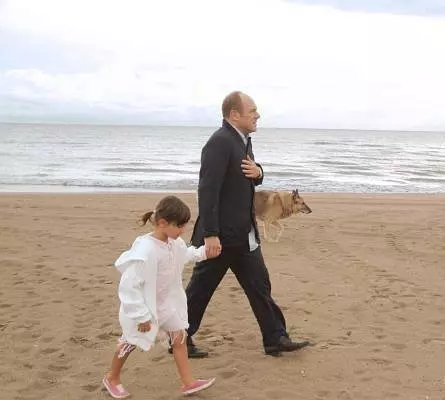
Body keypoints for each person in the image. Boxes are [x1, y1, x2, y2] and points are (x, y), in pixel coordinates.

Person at [185, 91, 311, 358]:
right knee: (199, 291)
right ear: (234, 114)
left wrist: (259, 172)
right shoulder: (219, 142)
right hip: (221, 237)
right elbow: (207, 191)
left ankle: (275, 338)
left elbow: (246, 175)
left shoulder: (242, 141)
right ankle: (179, 338)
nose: (257, 115)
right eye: (252, 111)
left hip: (244, 235)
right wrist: (211, 234)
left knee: (260, 287)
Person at [102, 195, 217, 399]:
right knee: (130, 342)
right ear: (163, 223)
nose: (183, 230)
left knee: (179, 338)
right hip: (144, 307)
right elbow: (129, 286)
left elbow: (186, 254)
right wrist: (141, 316)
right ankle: (112, 377)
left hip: (166, 304)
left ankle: (188, 382)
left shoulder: (174, 242)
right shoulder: (146, 250)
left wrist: (204, 253)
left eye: (184, 225)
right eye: (179, 226)